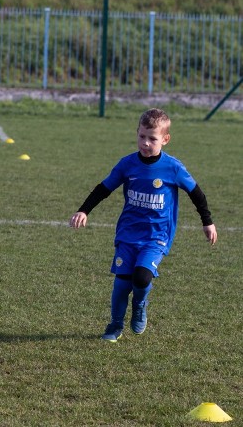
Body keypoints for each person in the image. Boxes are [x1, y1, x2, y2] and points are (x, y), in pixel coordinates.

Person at [69, 108, 217, 342]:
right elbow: (104, 188)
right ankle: (115, 325)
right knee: (121, 283)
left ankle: (139, 305)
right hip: (128, 233)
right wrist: (84, 209)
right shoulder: (127, 164)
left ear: (165, 139)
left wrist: (207, 222)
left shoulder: (173, 168)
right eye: (142, 137)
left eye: (152, 138)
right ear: (136, 132)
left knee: (141, 278)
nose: (145, 143)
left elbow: (196, 193)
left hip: (156, 236)